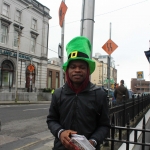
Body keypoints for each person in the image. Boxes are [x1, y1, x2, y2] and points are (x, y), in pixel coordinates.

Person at [46, 36, 110, 150]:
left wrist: (93, 142)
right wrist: (61, 133)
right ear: (67, 70)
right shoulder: (58, 93)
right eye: (73, 67)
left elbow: (104, 125)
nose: (77, 70)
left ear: (87, 70)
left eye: (82, 67)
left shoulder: (99, 94)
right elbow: (51, 120)